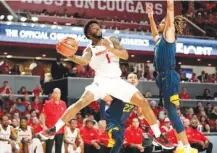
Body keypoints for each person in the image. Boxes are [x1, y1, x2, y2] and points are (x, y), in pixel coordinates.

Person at [41, 18, 167, 146]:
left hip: (117, 81)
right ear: (89, 35)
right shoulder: (89, 49)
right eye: (93, 28)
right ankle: (54, 129)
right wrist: (71, 56)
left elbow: (125, 55)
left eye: (98, 26)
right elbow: (84, 61)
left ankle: (157, 135)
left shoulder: (111, 39)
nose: (97, 29)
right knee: (80, 103)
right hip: (101, 82)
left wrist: (110, 49)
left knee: (143, 102)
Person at [146, 1, 197, 153]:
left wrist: (170, 5)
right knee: (169, 110)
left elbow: (169, 10)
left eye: (163, 21)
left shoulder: (169, 35)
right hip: (162, 77)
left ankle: (187, 146)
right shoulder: (160, 39)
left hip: (168, 75)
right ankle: (181, 145)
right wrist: (150, 17)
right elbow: (154, 34)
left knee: (172, 111)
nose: (162, 22)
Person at [100, 73, 173, 153]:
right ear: (126, 81)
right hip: (111, 120)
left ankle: (157, 136)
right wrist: (102, 119)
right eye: (130, 77)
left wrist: (143, 106)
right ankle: (157, 136)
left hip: (121, 124)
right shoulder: (120, 91)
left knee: (118, 143)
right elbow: (102, 99)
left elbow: (140, 116)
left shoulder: (137, 97)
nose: (133, 79)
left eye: (135, 77)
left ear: (137, 81)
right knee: (116, 141)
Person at [40, 88, 67, 153]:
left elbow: (65, 116)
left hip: (60, 130)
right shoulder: (48, 103)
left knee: (58, 149)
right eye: (56, 93)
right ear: (52, 94)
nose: (57, 95)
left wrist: (65, 125)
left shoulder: (63, 104)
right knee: (48, 149)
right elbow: (43, 115)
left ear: (60, 94)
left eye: (59, 93)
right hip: (50, 129)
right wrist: (44, 126)